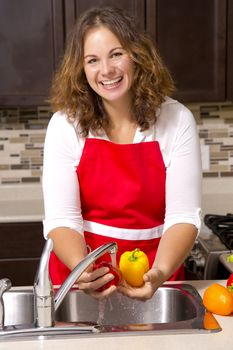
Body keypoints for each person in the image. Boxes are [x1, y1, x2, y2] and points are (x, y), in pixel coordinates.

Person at [42, 6, 202, 301]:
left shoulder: (177, 120)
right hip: (82, 281)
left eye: (116, 54)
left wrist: (160, 272)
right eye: (92, 60)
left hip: (154, 278)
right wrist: (83, 270)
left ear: (138, 56)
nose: (106, 70)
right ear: (81, 69)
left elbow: (182, 216)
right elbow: (62, 219)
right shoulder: (65, 125)